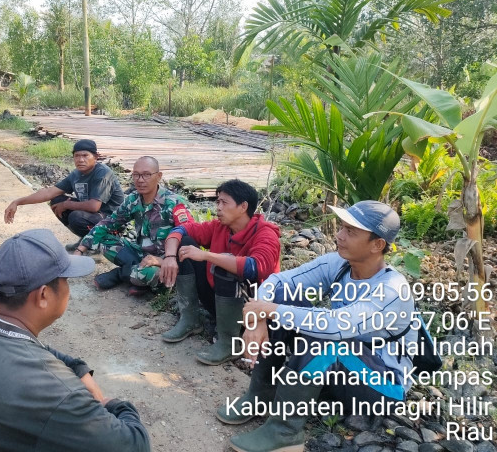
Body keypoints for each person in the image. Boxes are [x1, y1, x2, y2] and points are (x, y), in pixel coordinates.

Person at [0, 229, 151, 452]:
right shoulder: (58, 392)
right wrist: (110, 405)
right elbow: (135, 445)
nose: (68, 289)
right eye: (65, 280)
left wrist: (79, 369)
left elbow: (40, 350)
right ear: (43, 295)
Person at [221, 201, 415, 452]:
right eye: (342, 228)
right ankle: (260, 396)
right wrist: (260, 317)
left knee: (325, 336)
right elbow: (279, 282)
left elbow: (335, 326)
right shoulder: (339, 264)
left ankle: (285, 432)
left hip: (382, 386)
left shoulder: (392, 290)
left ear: (377, 245)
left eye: (350, 232)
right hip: (346, 369)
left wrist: (269, 310)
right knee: (285, 301)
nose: (339, 235)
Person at [161, 179, 281, 365]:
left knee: (224, 265)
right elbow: (181, 229)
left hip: (254, 312)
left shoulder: (266, 234)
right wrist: (169, 257)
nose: (218, 207)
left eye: (224, 202)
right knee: (184, 244)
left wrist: (208, 256)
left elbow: (256, 267)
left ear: (243, 207)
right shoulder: (220, 227)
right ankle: (190, 319)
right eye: (217, 202)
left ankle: (229, 343)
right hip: (220, 299)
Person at [75, 156, 194, 295]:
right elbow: (108, 223)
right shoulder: (133, 199)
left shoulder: (174, 203)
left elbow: (190, 239)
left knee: (150, 273)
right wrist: (80, 250)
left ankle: (121, 274)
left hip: (166, 261)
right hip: (141, 254)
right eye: (136, 175)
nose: (140, 180)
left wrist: (163, 260)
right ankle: (137, 278)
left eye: (146, 175)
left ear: (159, 176)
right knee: (102, 239)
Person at [4, 139, 124, 249]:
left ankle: (98, 244)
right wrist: (18, 202)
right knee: (56, 201)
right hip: (96, 217)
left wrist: (67, 205)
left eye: (85, 155)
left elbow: (94, 206)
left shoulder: (103, 173)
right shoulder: (76, 174)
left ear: (96, 157)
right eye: (77, 156)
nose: (81, 160)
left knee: (76, 217)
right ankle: (86, 239)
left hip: (113, 221)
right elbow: (49, 192)